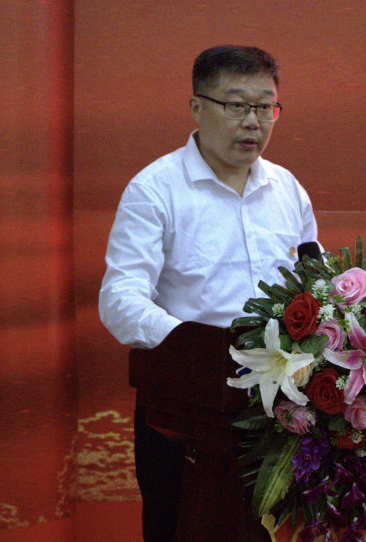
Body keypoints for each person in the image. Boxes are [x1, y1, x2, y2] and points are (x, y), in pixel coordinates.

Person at [98, 45, 319, 542]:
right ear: (197, 107)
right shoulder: (154, 190)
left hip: (281, 412)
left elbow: (314, 281)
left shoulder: (287, 190)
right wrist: (200, 350)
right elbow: (120, 300)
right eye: (236, 105)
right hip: (185, 414)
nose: (253, 121)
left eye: (265, 107)